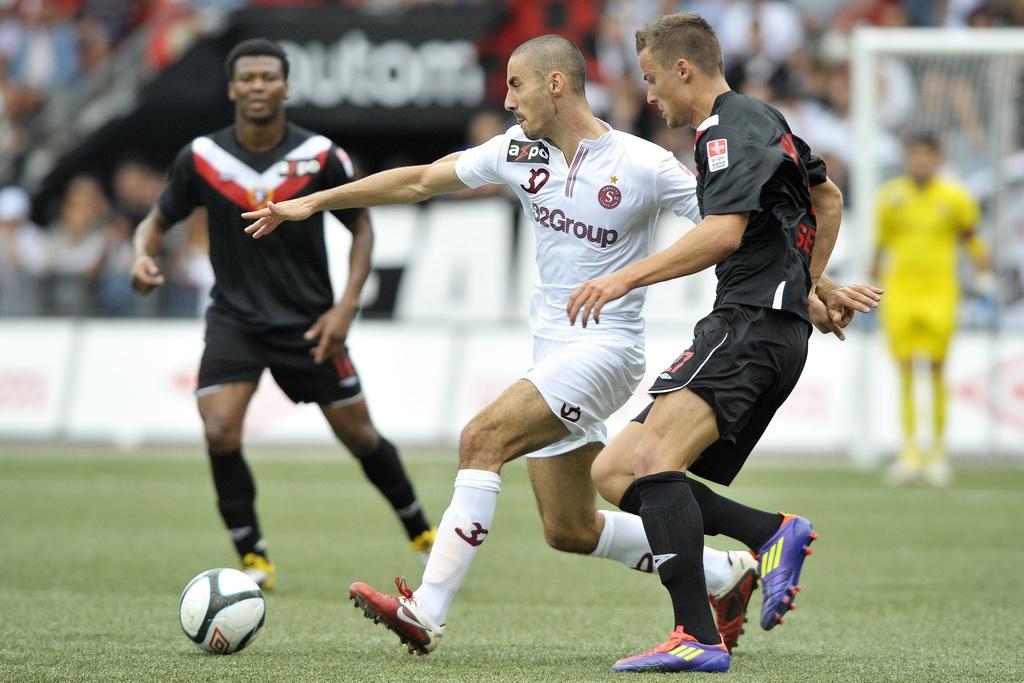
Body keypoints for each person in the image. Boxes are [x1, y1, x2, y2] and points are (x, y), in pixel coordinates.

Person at [242, 35, 767, 655]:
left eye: (516, 84)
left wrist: (809, 285)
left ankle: (426, 611)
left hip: (607, 351)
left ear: (554, 84)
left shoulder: (644, 164)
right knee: (568, 528)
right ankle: (724, 574)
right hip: (552, 353)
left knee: (481, 439)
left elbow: (727, 225)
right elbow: (418, 181)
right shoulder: (514, 151)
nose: (507, 97)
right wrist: (317, 202)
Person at [564, 14, 882, 673]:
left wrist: (623, 276)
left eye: (651, 79)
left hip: (749, 324)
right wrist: (812, 284)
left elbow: (722, 234)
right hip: (767, 324)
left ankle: (695, 633)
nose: (648, 95)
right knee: (615, 470)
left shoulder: (724, 133)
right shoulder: (763, 118)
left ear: (684, 69)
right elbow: (826, 198)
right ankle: (769, 532)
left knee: (653, 456)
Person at [129, 38, 435, 590]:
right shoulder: (202, 157)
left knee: (360, 436)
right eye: (247, 79)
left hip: (311, 322)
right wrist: (140, 257)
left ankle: (420, 532)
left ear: (286, 86)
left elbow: (362, 228)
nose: (258, 86)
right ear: (232, 88)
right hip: (235, 320)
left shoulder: (319, 156)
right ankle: (254, 557)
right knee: (220, 428)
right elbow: (154, 220)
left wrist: (346, 308)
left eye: (269, 77)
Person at [873, 132, 990, 487]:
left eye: (927, 156)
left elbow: (971, 239)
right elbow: (879, 248)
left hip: (941, 292)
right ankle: (910, 453)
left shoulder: (955, 198)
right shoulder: (890, 197)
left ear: (937, 159)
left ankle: (938, 452)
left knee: (937, 371)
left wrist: (985, 276)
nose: (920, 162)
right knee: (906, 371)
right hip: (901, 293)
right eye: (915, 155)